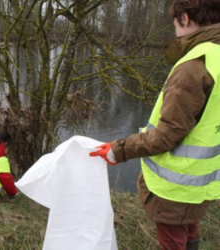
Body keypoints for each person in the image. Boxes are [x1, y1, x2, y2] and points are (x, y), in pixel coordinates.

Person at [90, 1, 220, 249]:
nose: (175, 32)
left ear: (185, 17)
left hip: (178, 186)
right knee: (190, 227)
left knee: (173, 240)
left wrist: (119, 149)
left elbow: (166, 136)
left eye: (175, 25)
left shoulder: (194, 67)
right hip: (205, 183)